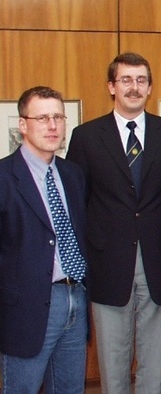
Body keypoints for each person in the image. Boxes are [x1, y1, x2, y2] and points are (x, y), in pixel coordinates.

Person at [66, 52, 161, 394]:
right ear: (111, 86)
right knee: (113, 362)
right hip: (107, 263)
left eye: (141, 80)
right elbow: (78, 203)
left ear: (149, 87)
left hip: (158, 262)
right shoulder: (86, 136)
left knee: (155, 363)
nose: (134, 88)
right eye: (126, 80)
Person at [0, 86, 89, 393]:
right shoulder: (3, 177)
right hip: (25, 310)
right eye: (42, 118)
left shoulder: (72, 174)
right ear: (23, 124)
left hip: (74, 299)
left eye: (58, 117)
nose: (52, 126)